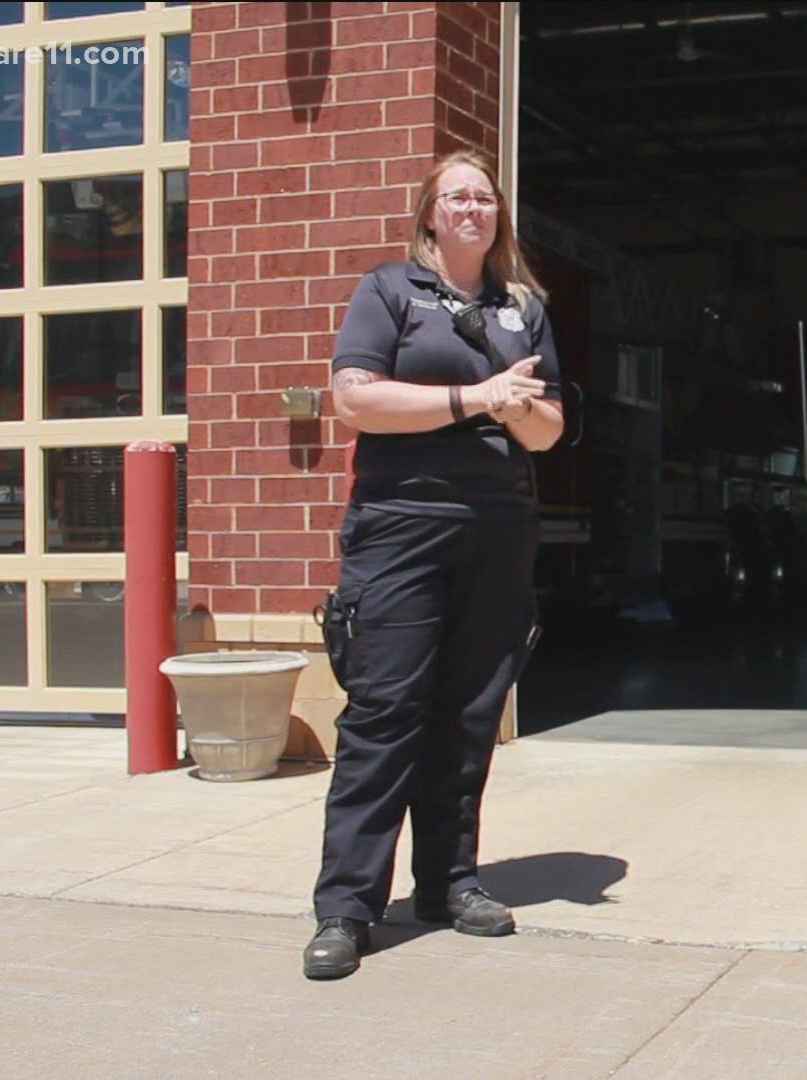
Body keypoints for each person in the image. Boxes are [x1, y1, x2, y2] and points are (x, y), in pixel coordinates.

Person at [303, 149, 564, 980]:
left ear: (498, 217)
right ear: (429, 214)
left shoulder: (523, 306)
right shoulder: (389, 291)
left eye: (484, 197)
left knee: (467, 714)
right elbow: (353, 399)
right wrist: (479, 399)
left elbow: (551, 428)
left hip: (497, 529)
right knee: (385, 713)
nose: (472, 208)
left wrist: (519, 412)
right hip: (401, 525)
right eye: (456, 196)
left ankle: (448, 883)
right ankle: (346, 908)